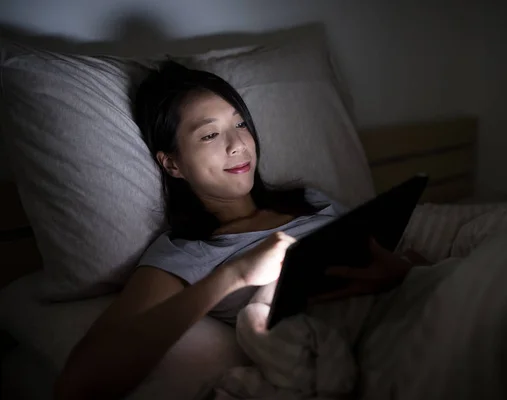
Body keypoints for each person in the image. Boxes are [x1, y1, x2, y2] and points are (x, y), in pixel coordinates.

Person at [53, 61, 414, 400]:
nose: (238, 145)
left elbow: (407, 259)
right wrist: (236, 274)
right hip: (366, 353)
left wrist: (403, 271)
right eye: (210, 135)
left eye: (241, 125)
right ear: (173, 163)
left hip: (407, 306)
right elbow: (80, 382)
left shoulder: (309, 199)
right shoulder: (185, 253)